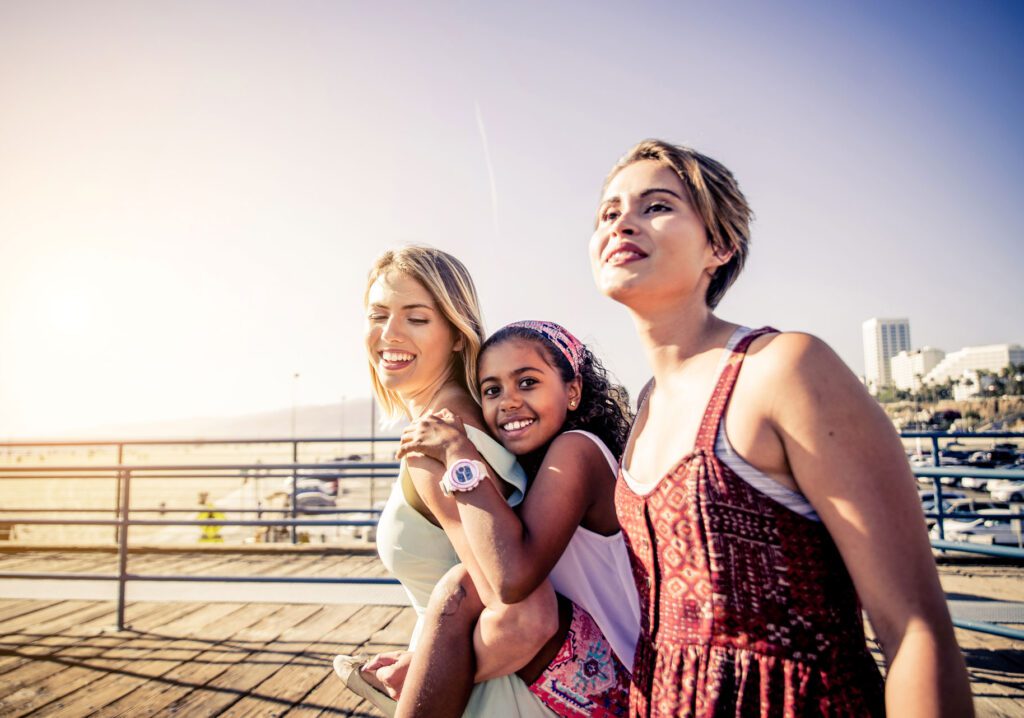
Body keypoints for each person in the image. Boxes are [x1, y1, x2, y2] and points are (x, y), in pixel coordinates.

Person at [591, 140, 973, 716]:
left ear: (718, 246)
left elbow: (914, 631)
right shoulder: (645, 404)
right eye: (608, 211)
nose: (622, 223)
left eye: (657, 205)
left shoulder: (782, 368)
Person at [335, 246, 561, 717]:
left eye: (416, 318)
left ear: (458, 335)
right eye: (378, 314)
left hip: (496, 701)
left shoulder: (436, 447)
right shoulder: (474, 423)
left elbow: (523, 619)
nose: (389, 333)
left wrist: (421, 674)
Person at [393, 320, 639, 717]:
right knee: (462, 590)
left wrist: (459, 452)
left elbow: (511, 577)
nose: (508, 401)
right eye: (492, 390)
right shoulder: (540, 467)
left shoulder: (578, 451)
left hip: (623, 689)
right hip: (591, 672)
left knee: (459, 589)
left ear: (573, 391)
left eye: (527, 383)